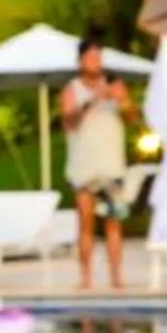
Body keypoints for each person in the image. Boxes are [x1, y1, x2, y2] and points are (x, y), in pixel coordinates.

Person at [61, 39, 137, 290]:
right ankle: (86, 278)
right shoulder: (71, 90)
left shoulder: (115, 85)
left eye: (98, 57)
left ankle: (117, 277)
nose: (96, 62)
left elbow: (133, 118)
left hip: (111, 165)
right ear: (80, 61)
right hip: (84, 167)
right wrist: (93, 99)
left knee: (114, 223)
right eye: (91, 57)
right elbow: (69, 121)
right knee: (86, 223)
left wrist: (122, 100)